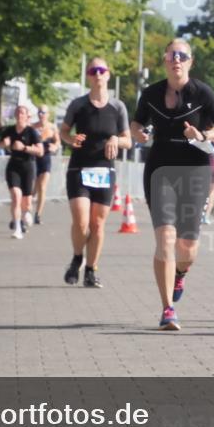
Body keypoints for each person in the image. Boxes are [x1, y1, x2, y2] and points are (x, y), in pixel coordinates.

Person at [131, 39, 214, 331]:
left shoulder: (202, 92)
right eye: (171, 55)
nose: (177, 60)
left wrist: (202, 134)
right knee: (165, 239)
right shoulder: (150, 93)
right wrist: (138, 133)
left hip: (195, 170)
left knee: (187, 248)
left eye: (182, 56)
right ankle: (167, 309)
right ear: (164, 60)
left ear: (191, 61)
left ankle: (179, 273)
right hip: (160, 169)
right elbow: (136, 124)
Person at [60, 58, 131, 288]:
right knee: (81, 222)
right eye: (93, 71)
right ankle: (77, 257)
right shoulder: (78, 104)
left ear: (108, 74)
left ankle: (91, 270)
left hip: (104, 171)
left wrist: (116, 139)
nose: (98, 74)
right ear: (88, 76)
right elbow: (63, 131)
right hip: (79, 168)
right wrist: (71, 139)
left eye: (102, 70)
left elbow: (128, 141)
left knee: (98, 224)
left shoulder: (118, 107)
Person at [0, 105, 43, 239]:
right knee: (16, 196)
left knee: (26, 201)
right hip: (13, 166)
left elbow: (40, 151)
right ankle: (17, 228)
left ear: (27, 116)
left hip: (28, 166)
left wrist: (24, 148)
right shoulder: (9, 130)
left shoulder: (32, 132)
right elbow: (0, 144)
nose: (19, 115)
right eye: (17, 112)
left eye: (22, 112)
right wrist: (4, 144)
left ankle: (27, 212)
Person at [32, 105, 60, 225]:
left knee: (42, 187)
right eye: (39, 112)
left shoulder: (52, 127)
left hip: (46, 159)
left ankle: (38, 214)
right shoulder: (32, 127)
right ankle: (26, 209)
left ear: (48, 114)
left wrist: (55, 146)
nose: (41, 115)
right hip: (33, 159)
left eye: (43, 112)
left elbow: (58, 141)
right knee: (33, 189)